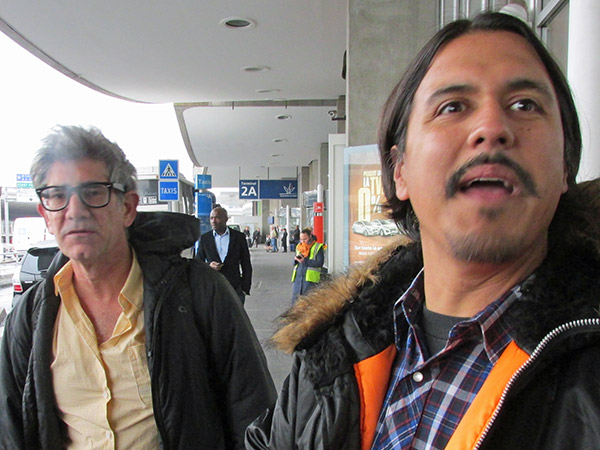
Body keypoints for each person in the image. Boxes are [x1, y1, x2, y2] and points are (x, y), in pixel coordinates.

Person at [246, 12, 600, 450]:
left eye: (525, 105)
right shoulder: (333, 346)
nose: (492, 128)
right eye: (453, 107)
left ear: (566, 165)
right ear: (400, 172)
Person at [0, 125, 275, 449]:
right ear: (45, 215)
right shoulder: (30, 319)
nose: (74, 211)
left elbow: (256, 417)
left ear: (128, 207)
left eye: (93, 192)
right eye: (57, 195)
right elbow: (13, 433)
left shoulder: (200, 294)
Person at [197, 206, 253, 305]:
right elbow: (197, 262)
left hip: (235, 288)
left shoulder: (238, 237)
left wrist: (245, 288)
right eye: (211, 218)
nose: (213, 221)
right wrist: (209, 265)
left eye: (217, 218)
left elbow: (246, 264)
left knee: (235, 319)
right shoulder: (205, 239)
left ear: (226, 219)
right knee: (215, 319)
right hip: (213, 288)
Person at [290, 229, 324, 304]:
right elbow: (294, 263)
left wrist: (304, 261)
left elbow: (319, 263)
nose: (303, 241)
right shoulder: (299, 246)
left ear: (310, 236)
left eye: (305, 239)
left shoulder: (317, 247)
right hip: (298, 279)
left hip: (310, 280)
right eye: (301, 239)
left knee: (309, 303)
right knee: (295, 302)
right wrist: (296, 260)